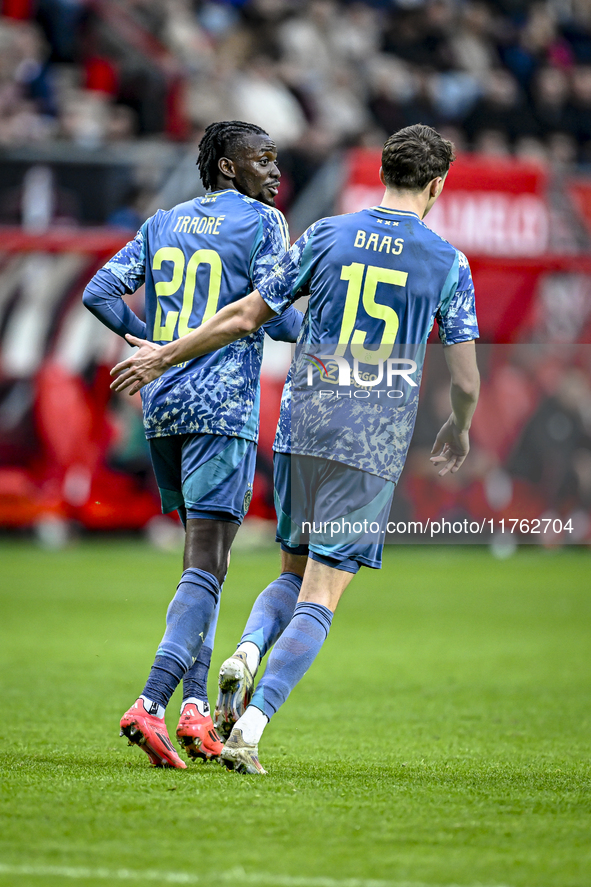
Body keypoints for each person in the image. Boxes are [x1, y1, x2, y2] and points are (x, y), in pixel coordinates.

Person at [110, 123, 481, 774]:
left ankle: (247, 650)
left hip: (300, 430)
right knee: (321, 594)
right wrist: (458, 422)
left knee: (288, 572)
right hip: (369, 444)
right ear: (436, 185)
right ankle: (250, 725)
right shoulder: (447, 261)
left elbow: (247, 312)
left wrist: (164, 352)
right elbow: (467, 378)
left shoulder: (325, 234)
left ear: (383, 173)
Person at [83, 120, 304, 769]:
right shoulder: (266, 224)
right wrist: (319, 311)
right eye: (262, 161)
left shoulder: (162, 221)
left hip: (162, 404)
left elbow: (100, 291)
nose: (274, 172)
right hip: (221, 407)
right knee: (207, 563)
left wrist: (145, 341)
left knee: (203, 563)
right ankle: (151, 701)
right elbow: (276, 316)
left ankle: (195, 708)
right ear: (229, 168)